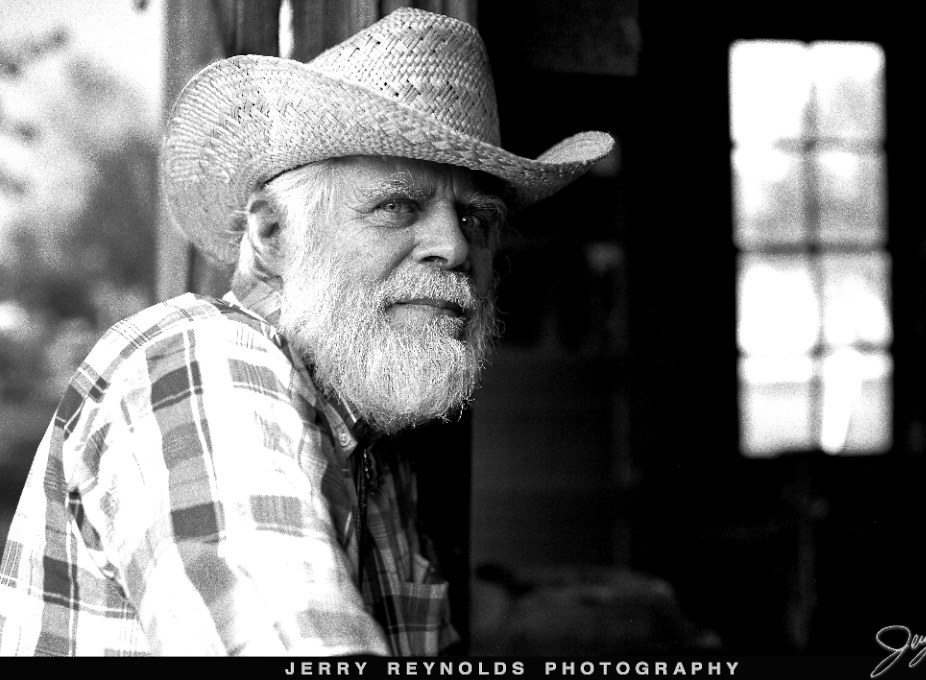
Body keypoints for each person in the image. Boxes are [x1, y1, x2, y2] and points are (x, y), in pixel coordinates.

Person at [0, 8, 613, 657]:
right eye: (397, 207)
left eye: (477, 219)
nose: (453, 248)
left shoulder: (378, 446)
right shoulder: (201, 364)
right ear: (272, 235)